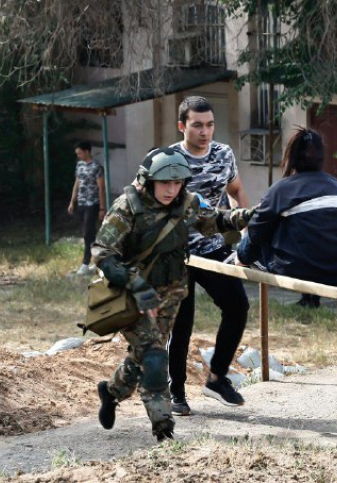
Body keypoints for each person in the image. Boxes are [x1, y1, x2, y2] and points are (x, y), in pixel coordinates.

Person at [91, 148, 253, 442]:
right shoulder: (128, 206)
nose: (170, 189)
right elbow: (102, 253)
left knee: (142, 356)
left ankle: (111, 392)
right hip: (134, 298)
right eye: (164, 182)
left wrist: (249, 216)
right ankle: (163, 428)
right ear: (149, 180)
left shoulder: (186, 202)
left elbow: (215, 221)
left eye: (177, 183)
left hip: (169, 297)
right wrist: (135, 284)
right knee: (154, 359)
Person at [167, 96, 250, 416]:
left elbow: (237, 191)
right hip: (177, 255)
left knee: (237, 306)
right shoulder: (170, 159)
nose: (205, 131)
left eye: (210, 124)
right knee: (181, 324)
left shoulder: (223, 154)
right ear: (182, 126)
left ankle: (217, 379)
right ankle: (177, 392)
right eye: (197, 125)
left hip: (213, 248)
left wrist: (245, 234)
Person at [236, 128, 337, 306]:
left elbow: (256, 233)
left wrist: (243, 251)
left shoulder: (281, 190)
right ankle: (310, 300)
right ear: (321, 157)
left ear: (291, 157)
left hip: (298, 270)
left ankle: (239, 258)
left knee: (262, 226)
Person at [67, 140, 106, 275]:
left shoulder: (97, 166)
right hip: (81, 203)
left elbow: (101, 188)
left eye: (80, 153)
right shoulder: (79, 165)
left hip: (92, 203)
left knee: (87, 233)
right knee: (89, 234)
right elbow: (77, 184)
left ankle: (85, 262)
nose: (79, 156)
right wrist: (72, 201)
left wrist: (102, 207)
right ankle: (99, 260)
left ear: (87, 151)